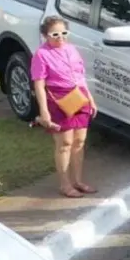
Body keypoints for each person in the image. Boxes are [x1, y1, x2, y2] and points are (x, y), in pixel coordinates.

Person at [31, 16, 98, 198]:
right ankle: (65, 184)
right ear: (45, 35)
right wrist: (44, 111)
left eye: (63, 33)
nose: (60, 37)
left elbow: (81, 76)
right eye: (55, 34)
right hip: (58, 99)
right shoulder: (41, 54)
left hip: (78, 96)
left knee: (79, 142)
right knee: (65, 143)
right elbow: (39, 84)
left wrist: (90, 99)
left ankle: (78, 181)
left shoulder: (72, 50)